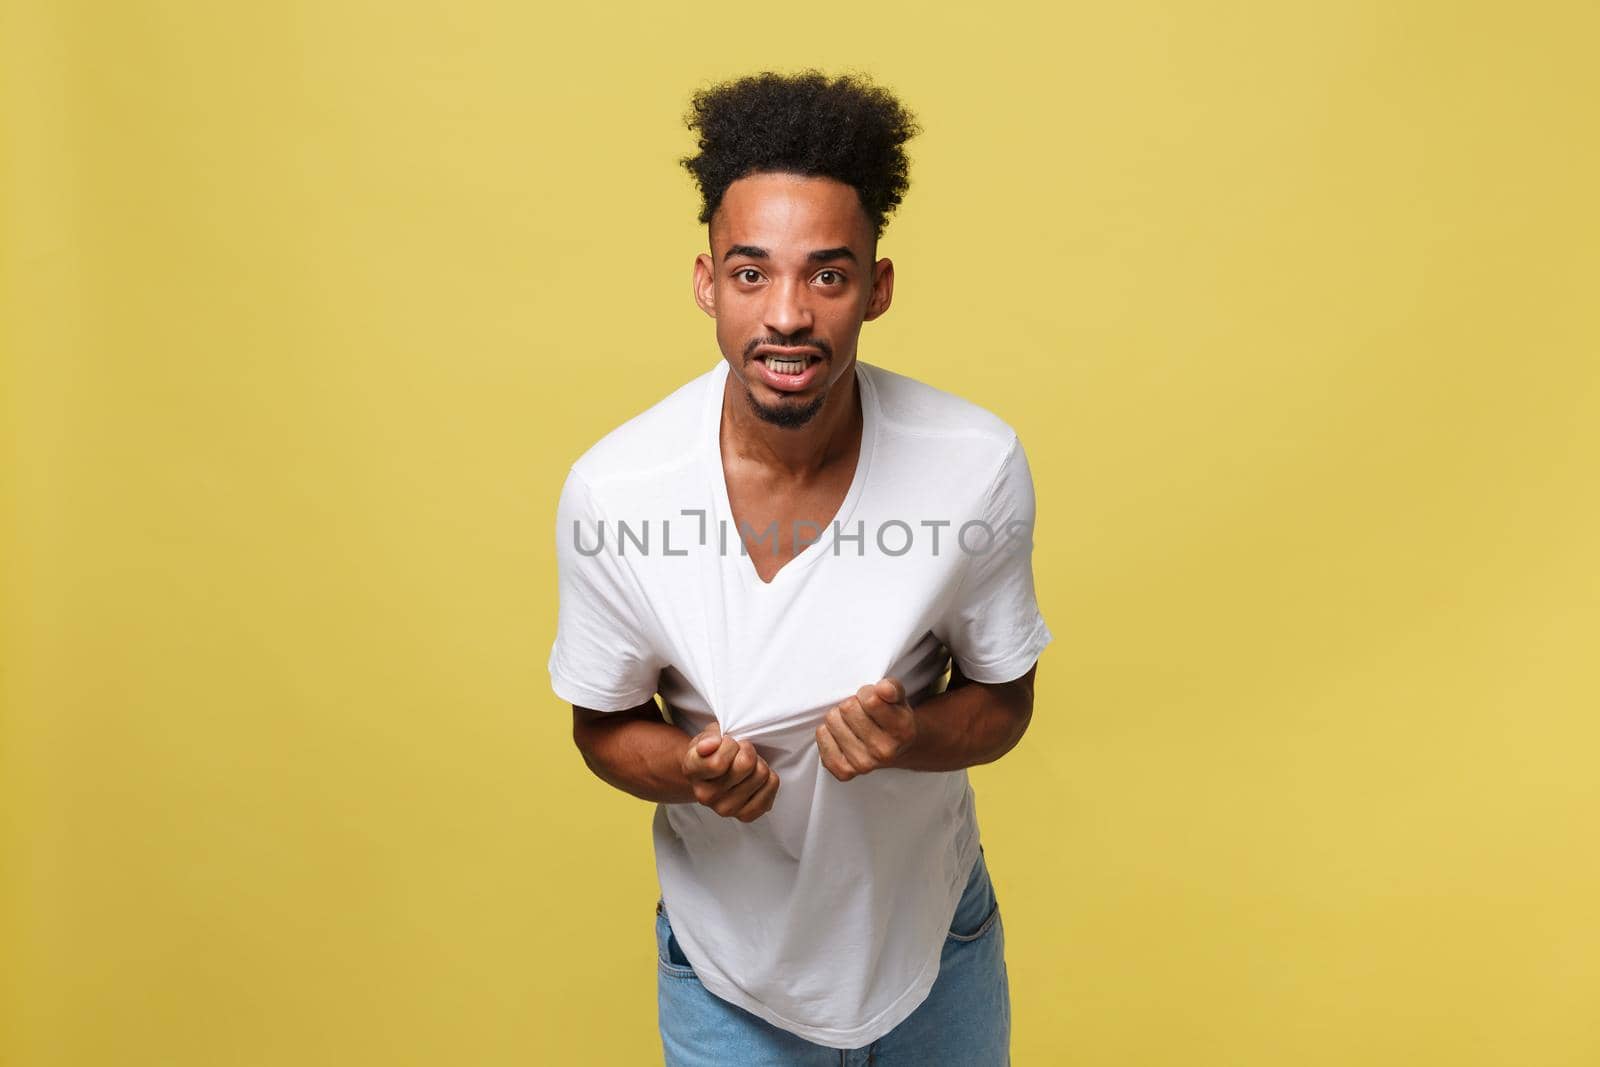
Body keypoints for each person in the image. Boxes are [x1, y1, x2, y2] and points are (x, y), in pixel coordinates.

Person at [548, 69, 1052, 1066]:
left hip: (930, 942)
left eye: (826, 274)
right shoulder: (617, 491)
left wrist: (909, 733)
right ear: (706, 282)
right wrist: (688, 774)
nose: (787, 313)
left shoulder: (973, 463)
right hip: (731, 967)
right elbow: (601, 722)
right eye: (751, 273)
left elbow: (1006, 698)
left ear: (877, 285)